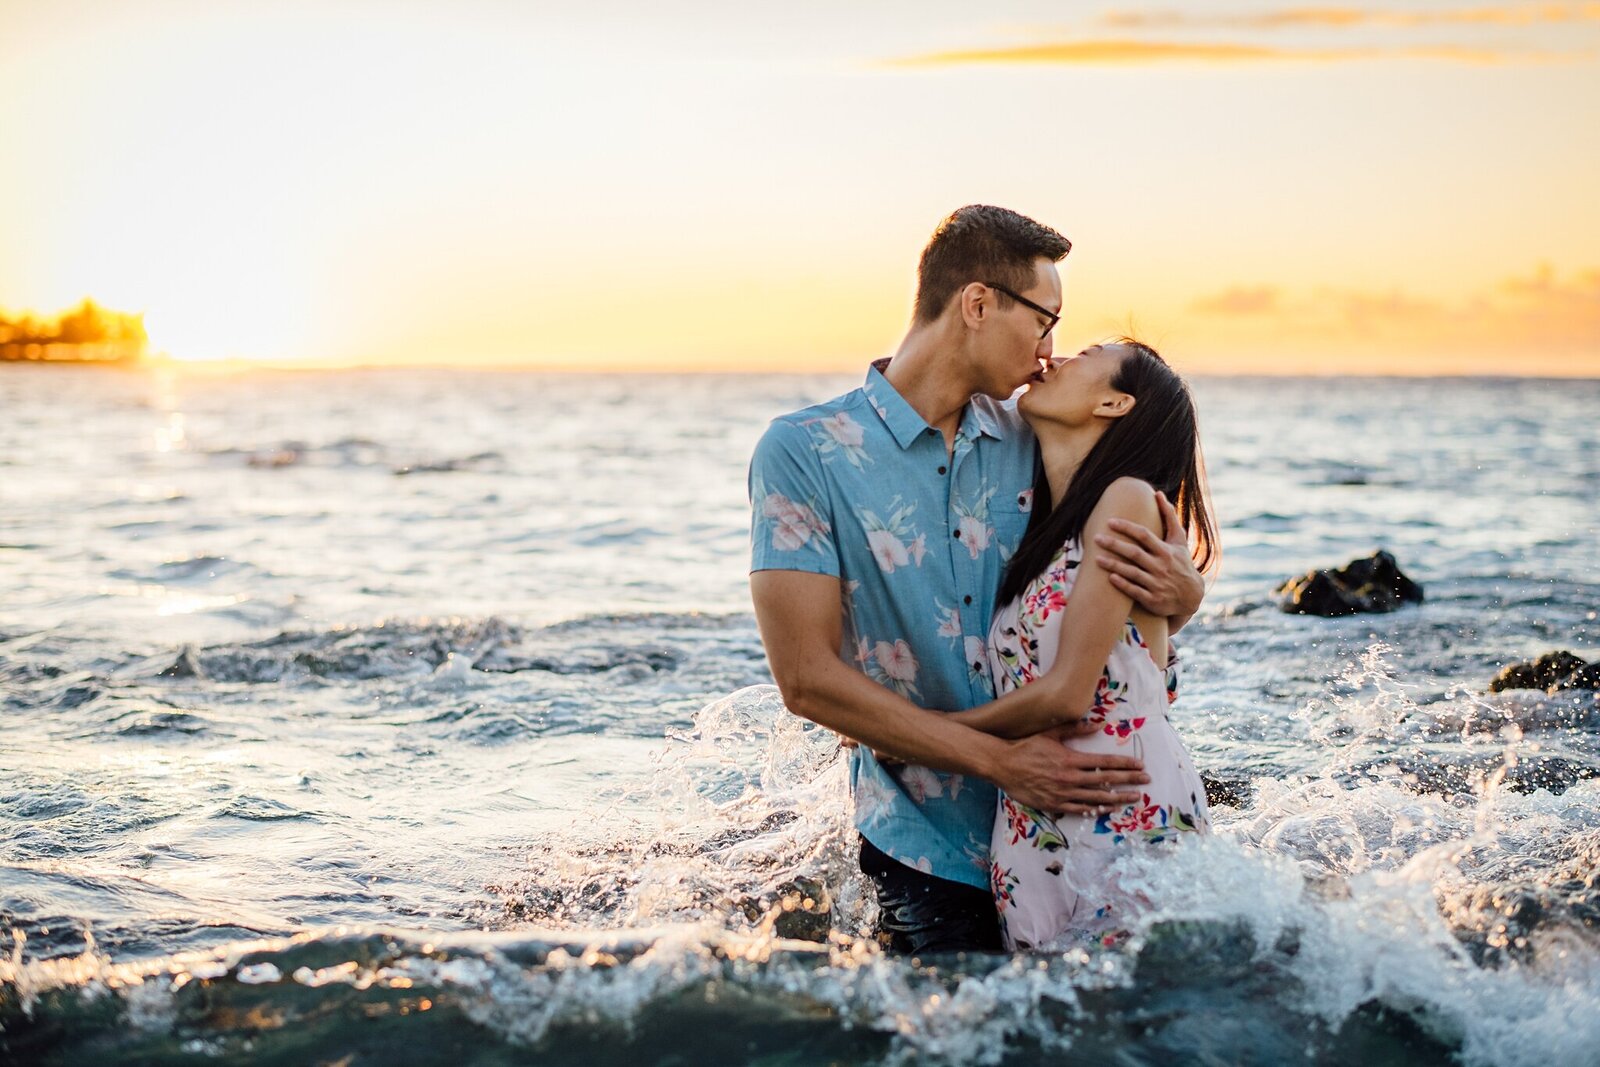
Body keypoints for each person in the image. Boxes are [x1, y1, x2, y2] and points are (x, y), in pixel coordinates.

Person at [748, 205, 1205, 955]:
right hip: (925, 841)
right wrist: (995, 759)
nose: (1051, 350)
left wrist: (1184, 598)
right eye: (1045, 319)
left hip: (1078, 824)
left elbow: (1095, 604)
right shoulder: (804, 452)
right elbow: (805, 677)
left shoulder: (1043, 435)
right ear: (979, 303)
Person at [946, 340, 1219, 950]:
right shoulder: (1049, 525)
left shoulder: (1126, 498)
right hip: (1037, 819)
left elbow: (1070, 695)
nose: (1054, 357)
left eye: (1084, 353)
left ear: (1114, 402)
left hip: (1120, 810)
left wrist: (930, 737)